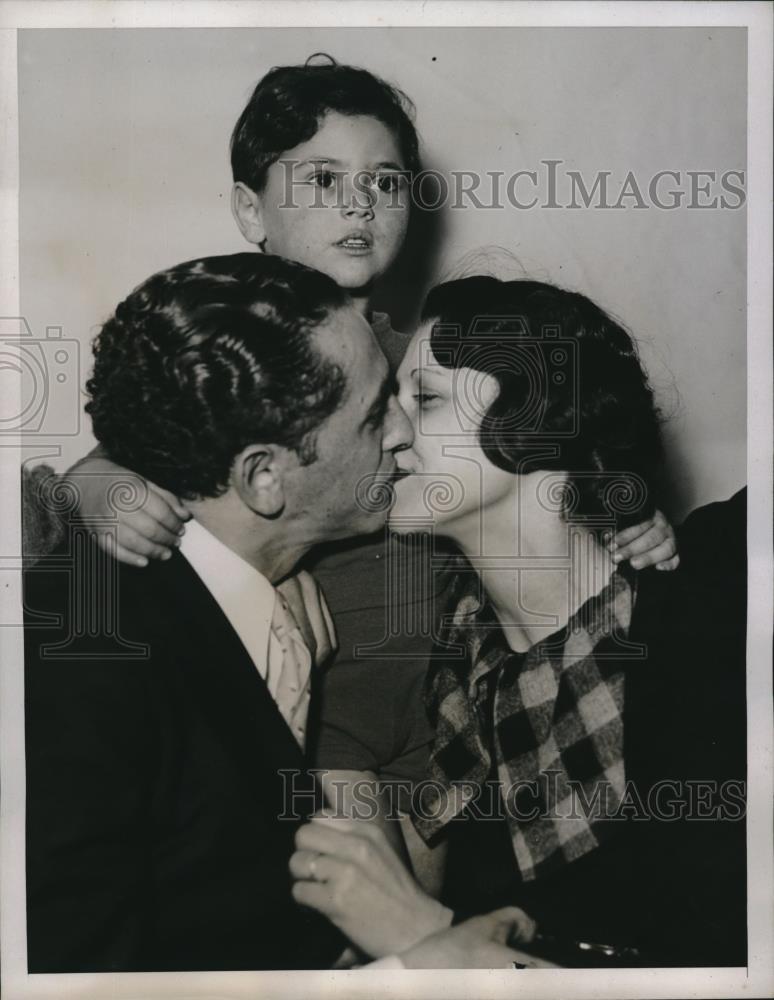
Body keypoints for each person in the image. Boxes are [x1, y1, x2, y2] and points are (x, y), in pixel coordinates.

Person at [22, 58, 679, 848]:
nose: (359, 204)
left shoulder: (429, 363)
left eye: (386, 182)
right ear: (248, 206)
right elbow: (125, 460)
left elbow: (539, 483)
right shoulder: (237, 360)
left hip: (445, 707)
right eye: (324, 180)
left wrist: (626, 516)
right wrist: (97, 488)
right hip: (322, 718)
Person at [26, 252, 563, 972]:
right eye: (376, 414)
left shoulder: (261, 602)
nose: (405, 434)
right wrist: (422, 968)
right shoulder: (81, 663)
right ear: (265, 476)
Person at [289, 276, 747, 968]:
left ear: (540, 417)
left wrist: (426, 935)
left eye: (427, 399)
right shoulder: (460, 679)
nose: (390, 431)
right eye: (391, 402)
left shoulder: (709, 618)